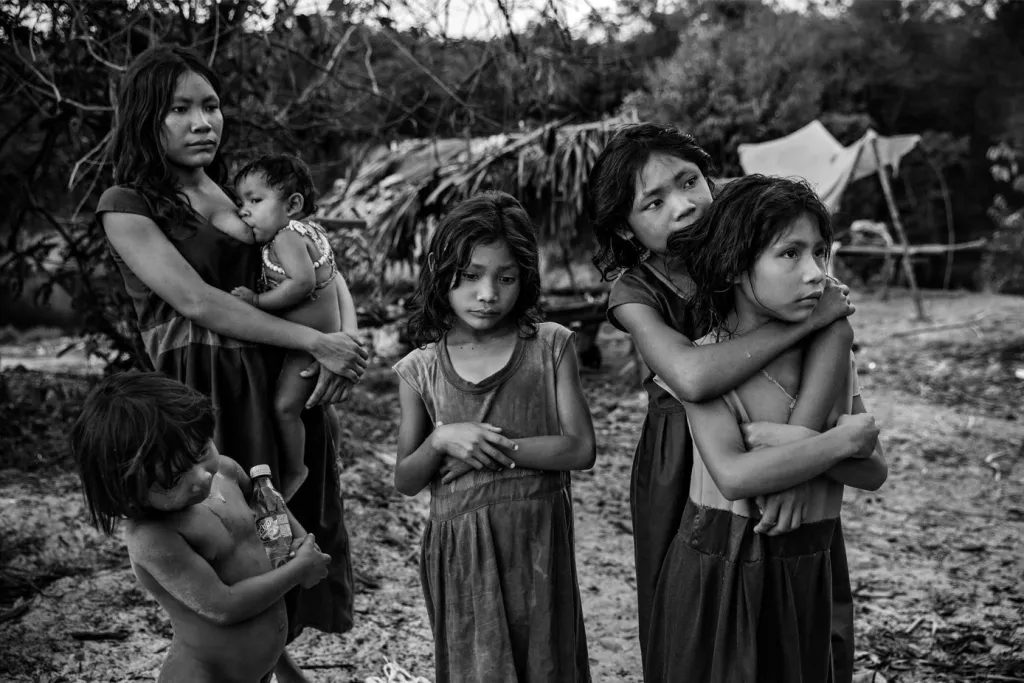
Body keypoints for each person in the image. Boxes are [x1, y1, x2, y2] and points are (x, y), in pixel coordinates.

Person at [95, 44, 365, 682]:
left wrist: (344, 341)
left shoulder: (243, 188)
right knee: (233, 536)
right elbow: (196, 301)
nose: (202, 122)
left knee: (292, 521)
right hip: (207, 385)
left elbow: (318, 261)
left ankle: (278, 660)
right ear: (145, 119)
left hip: (281, 375)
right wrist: (312, 343)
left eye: (210, 106)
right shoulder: (128, 203)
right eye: (180, 109)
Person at [586, 122, 860, 676]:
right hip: (678, 452)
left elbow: (836, 325)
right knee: (684, 599)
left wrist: (798, 461)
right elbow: (690, 377)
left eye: (689, 182)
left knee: (792, 579)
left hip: (783, 427)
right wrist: (806, 324)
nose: (682, 207)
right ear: (625, 226)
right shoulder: (634, 292)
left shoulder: (759, 246)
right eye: (654, 202)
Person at [645, 173, 888, 681]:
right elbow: (734, 475)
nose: (815, 273)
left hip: (806, 569)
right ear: (735, 264)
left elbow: (874, 473)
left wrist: (797, 452)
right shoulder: (704, 366)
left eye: (820, 252)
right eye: (790, 254)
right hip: (723, 571)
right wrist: (841, 440)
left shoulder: (830, 356)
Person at [392, 191, 594, 682]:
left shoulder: (550, 346)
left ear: (524, 279)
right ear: (443, 274)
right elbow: (406, 478)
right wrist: (442, 441)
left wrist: (492, 451)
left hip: (536, 544)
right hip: (463, 554)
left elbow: (580, 448)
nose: (487, 294)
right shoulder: (421, 369)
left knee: (547, 663)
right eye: (470, 277)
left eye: (505, 278)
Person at [69, 372, 333, 683]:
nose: (199, 478)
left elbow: (269, 511)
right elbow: (226, 606)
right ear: (124, 489)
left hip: (258, 664)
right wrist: (297, 571)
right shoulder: (155, 537)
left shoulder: (226, 472)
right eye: (172, 479)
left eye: (200, 453)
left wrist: (300, 543)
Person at [222, 154, 356, 502]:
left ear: (293, 204)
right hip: (325, 336)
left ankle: (297, 468)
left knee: (284, 408)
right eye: (241, 202)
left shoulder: (285, 237)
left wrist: (256, 302)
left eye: (255, 200)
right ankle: (333, 455)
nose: (244, 211)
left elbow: (301, 284)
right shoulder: (312, 230)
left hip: (306, 347)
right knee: (322, 406)